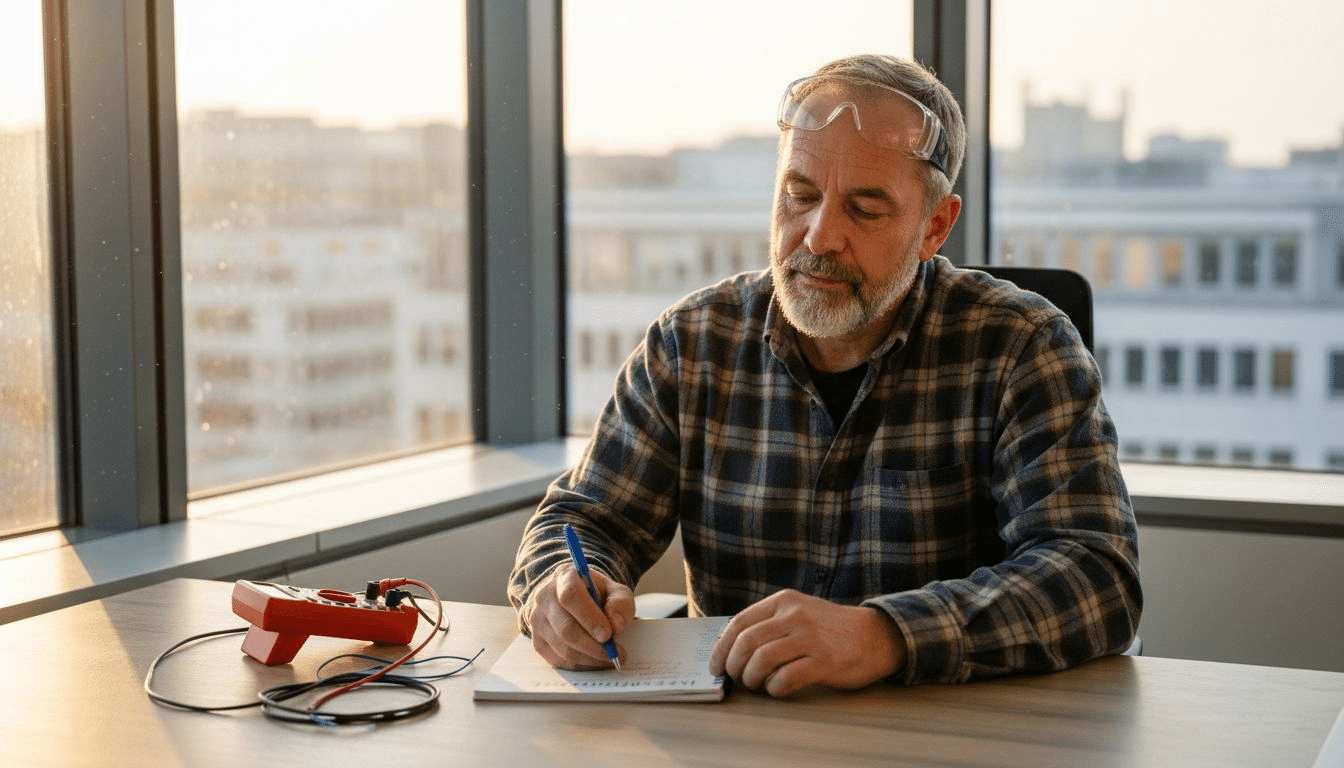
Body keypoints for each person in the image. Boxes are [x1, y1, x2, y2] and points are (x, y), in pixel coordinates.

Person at [508, 54, 1141, 697]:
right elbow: (584, 521)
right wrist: (558, 586)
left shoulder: (1021, 347)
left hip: (942, 734)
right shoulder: (692, 343)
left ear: (935, 227)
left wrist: (885, 635)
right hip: (736, 735)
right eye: (800, 195)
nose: (818, 236)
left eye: (865, 209)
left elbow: (1096, 576)